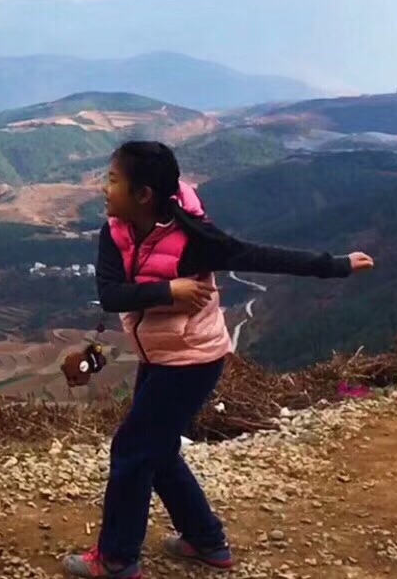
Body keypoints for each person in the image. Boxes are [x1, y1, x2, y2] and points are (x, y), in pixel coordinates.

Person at [63, 141, 374, 578]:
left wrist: (335, 265)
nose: (103, 188)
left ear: (144, 194)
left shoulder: (194, 237)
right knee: (159, 449)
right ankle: (206, 541)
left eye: (113, 180)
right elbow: (111, 294)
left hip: (193, 360)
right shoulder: (114, 232)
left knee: (133, 450)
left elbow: (255, 256)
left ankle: (117, 559)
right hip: (159, 354)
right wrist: (169, 291)